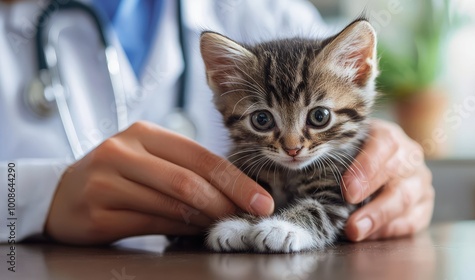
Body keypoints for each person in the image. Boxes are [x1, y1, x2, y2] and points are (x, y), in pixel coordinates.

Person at [0, 0, 434, 245]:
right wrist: (39, 194)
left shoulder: (265, 11)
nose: (293, 144)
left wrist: (401, 173)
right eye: (265, 120)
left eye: (315, 118)